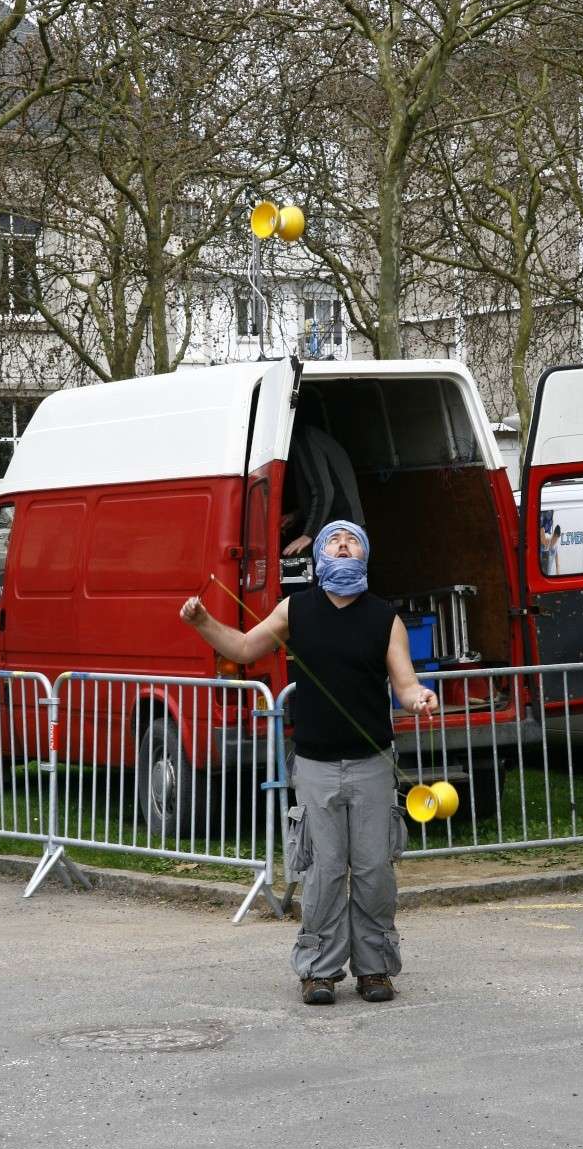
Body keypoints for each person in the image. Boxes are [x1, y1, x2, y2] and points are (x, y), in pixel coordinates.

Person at [180, 520, 437, 1006]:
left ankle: (376, 968)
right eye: (335, 540)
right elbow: (240, 647)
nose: (344, 544)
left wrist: (419, 695)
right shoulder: (294, 609)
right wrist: (201, 622)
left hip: (372, 764)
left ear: (364, 555)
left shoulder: (385, 618)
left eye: (353, 539)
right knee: (322, 872)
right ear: (320, 555)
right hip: (316, 765)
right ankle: (318, 971)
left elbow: (403, 685)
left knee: (373, 871)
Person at [282, 424, 364, 556]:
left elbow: (324, 492)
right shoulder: (313, 437)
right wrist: (296, 515)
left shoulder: (304, 439)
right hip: (346, 529)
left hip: (341, 532)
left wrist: (308, 534)